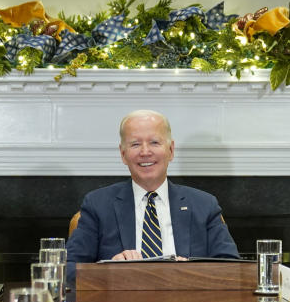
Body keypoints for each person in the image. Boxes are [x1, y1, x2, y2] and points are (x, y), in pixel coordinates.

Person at [66, 110, 239, 265]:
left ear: (171, 150)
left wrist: (191, 271)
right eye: (135, 144)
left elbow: (231, 268)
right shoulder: (98, 204)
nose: (145, 152)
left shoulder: (204, 204)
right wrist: (110, 271)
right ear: (123, 154)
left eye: (155, 142)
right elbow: (69, 268)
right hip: (121, 299)